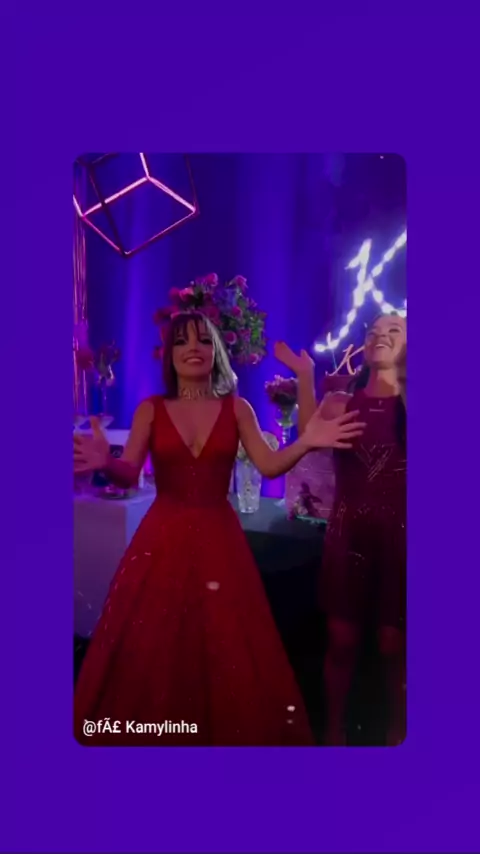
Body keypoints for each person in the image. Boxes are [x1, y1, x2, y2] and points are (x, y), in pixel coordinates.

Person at [74, 311, 365, 746]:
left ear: (217, 352)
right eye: (182, 341)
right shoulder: (151, 409)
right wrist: (105, 462)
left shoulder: (237, 408)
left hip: (219, 542)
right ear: (169, 355)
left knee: (227, 644)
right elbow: (129, 473)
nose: (193, 348)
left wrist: (306, 441)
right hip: (161, 542)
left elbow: (269, 466)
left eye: (203, 340)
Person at [275, 313, 406, 746]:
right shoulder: (340, 402)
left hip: (402, 543)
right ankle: (333, 733)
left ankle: (400, 733)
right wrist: (305, 374)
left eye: (393, 331)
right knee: (341, 641)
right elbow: (308, 435)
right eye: (373, 332)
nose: (380, 336)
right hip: (347, 538)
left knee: (393, 646)